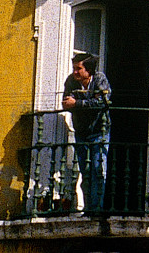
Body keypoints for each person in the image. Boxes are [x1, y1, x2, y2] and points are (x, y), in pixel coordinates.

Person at [62, 51, 111, 213]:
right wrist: (86, 102)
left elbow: (102, 101)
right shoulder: (71, 81)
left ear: (88, 70)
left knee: (98, 169)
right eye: (74, 68)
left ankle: (97, 208)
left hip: (99, 131)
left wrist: (77, 103)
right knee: (85, 171)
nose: (75, 72)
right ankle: (89, 207)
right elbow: (66, 103)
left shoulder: (99, 79)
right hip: (81, 131)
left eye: (79, 68)